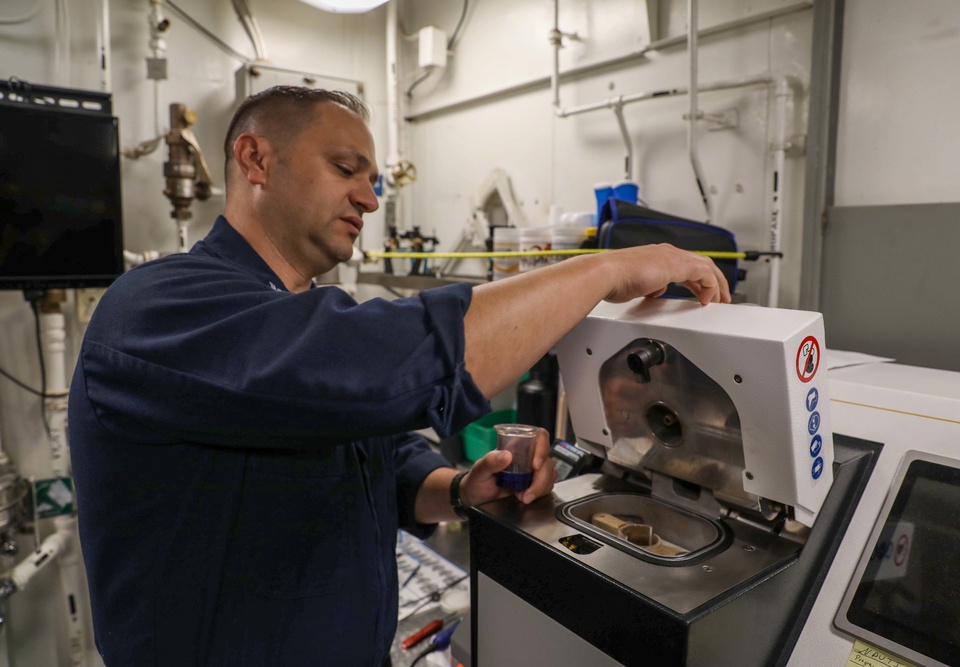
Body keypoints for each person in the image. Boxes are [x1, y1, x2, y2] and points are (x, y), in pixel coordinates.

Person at [67, 86, 730, 667]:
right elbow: (407, 361)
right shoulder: (161, 308)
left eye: (375, 178)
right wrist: (606, 270)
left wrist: (461, 488)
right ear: (255, 159)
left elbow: (376, 461)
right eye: (345, 168)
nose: (370, 198)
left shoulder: (302, 322)